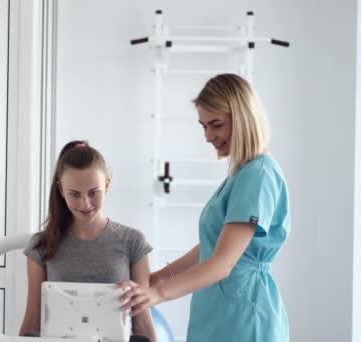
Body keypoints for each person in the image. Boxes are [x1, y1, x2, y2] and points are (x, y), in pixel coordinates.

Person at [118, 74, 290, 341]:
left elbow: (222, 263)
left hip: (244, 315)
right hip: (218, 308)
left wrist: (158, 295)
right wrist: (160, 277)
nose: (209, 135)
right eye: (203, 126)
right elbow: (213, 245)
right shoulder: (241, 173)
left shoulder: (259, 174)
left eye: (216, 124)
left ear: (243, 118)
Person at [19, 140, 157, 342]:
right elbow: (33, 322)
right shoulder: (41, 246)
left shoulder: (132, 242)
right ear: (60, 190)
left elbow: (143, 322)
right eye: (74, 194)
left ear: (107, 184)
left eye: (94, 193)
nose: (85, 203)